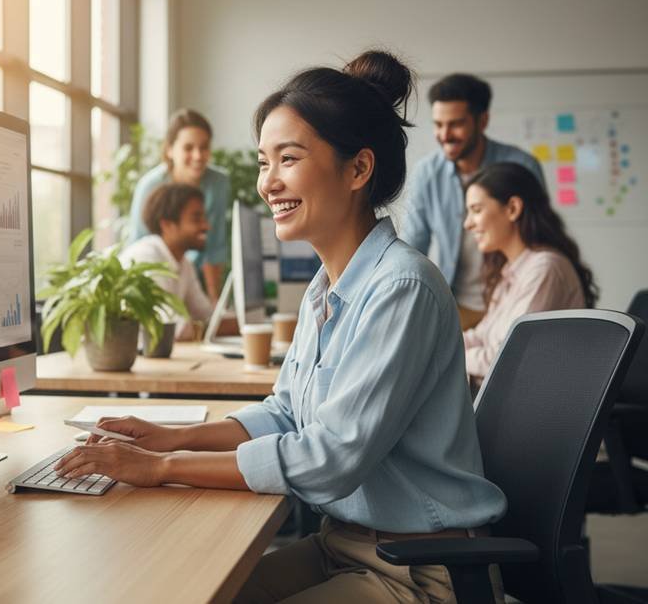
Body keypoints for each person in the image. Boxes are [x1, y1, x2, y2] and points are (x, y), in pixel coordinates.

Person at [56, 50, 506, 603]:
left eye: (287, 159)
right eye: (263, 162)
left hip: (420, 569)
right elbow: (285, 412)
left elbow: (330, 457)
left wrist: (163, 467)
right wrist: (171, 437)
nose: (268, 183)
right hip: (344, 546)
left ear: (358, 169)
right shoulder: (328, 287)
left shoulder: (400, 287)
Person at [401, 73, 546, 331]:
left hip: (512, 299)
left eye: (456, 124)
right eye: (438, 124)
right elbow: (414, 246)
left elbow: (539, 239)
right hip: (457, 304)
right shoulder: (426, 173)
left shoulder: (521, 166)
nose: (445, 135)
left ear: (483, 121)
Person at [463, 162, 597, 383]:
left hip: (532, 408)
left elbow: (508, 357)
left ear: (513, 208)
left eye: (476, 210)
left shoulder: (545, 269)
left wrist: (452, 356)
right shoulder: (510, 271)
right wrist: (439, 346)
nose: (468, 224)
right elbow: (480, 336)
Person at [127, 109, 230, 303]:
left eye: (204, 147)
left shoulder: (218, 183)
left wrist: (214, 302)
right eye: (188, 148)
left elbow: (213, 245)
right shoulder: (150, 186)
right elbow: (139, 245)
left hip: (191, 275)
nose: (198, 156)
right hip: (154, 276)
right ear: (169, 150)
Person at [119, 183, 213, 341]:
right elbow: (173, 327)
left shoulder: (184, 264)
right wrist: (209, 328)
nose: (206, 226)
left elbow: (205, 314)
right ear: (167, 225)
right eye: (196, 218)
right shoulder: (146, 257)